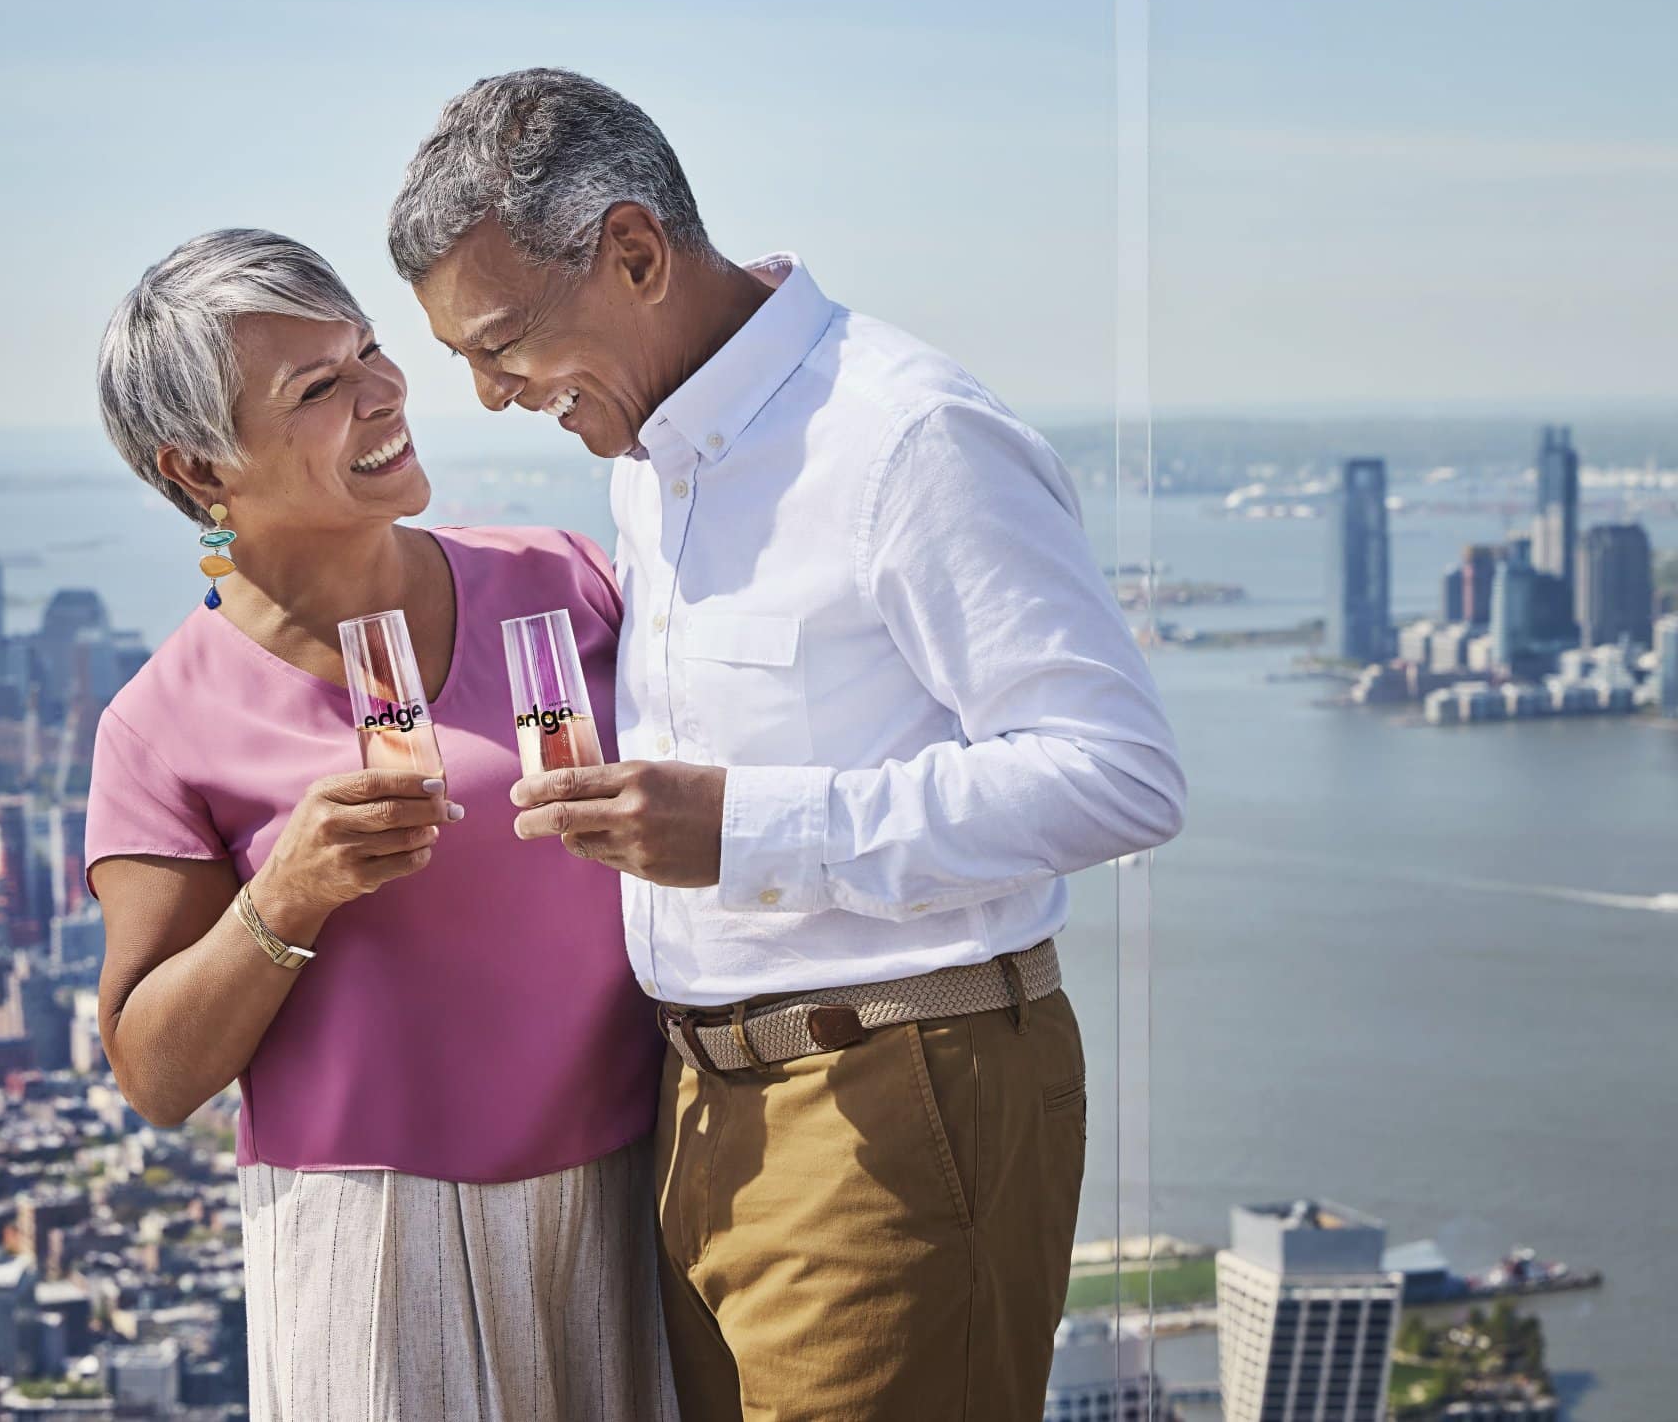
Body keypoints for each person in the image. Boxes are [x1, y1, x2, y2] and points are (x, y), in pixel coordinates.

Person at [390, 70, 1187, 1422]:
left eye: (504, 340)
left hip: (893, 1102)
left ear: (635, 253)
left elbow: (1116, 771)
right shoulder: (653, 455)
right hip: (698, 1118)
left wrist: (747, 831)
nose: (486, 393)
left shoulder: (902, 437)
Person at [85, 228, 675, 1422]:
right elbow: (152, 1068)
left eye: (367, 350)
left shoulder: (565, 579)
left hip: (644, 1193)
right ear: (199, 467)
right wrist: (287, 891)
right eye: (317, 387)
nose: (383, 390)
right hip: (374, 1245)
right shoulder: (162, 723)